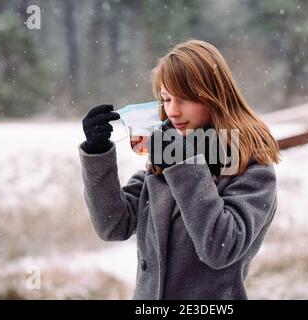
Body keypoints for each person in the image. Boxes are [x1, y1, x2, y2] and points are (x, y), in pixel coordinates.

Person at [78, 39, 281, 299]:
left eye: (184, 99)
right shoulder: (165, 161)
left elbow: (220, 248)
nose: (172, 111)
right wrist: (97, 153)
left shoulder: (251, 167)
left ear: (214, 97)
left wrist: (183, 164)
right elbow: (113, 225)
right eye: (166, 99)